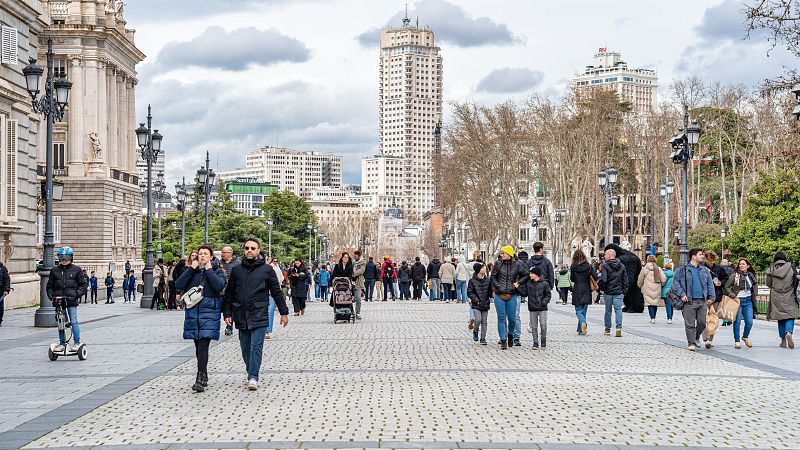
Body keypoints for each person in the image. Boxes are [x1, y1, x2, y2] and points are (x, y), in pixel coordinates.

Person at [223, 238, 289, 390]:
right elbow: (229, 293)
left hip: (259, 312)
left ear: (258, 250)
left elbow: (276, 292)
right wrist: (227, 313)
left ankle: (253, 376)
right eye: (247, 248)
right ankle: (250, 371)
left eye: (253, 248)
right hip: (241, 313)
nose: (249, 250)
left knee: (256, 346)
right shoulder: (237, 270)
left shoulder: (267, 270)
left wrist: (284, 312)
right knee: (245, 348)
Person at [175, 244, 225, 393]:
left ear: (211, 257)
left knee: (203, 343)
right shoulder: (191, 271)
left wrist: (209, 270)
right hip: (193, 311)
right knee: (198, 344)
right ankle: (204, 373)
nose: (202, 256)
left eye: (205, 254)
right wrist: (191, 268)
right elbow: (178, 284)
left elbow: (218, 287)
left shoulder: (217, 271)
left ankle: (199, 378)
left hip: (209, 311)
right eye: (200, 254)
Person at [671, 248, 715, 351]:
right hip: (689, 301)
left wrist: (711, 297)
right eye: (700, 254)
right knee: (689, 324)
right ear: (693, 257)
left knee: (702, 323)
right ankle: (691, 343)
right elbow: (675, 283)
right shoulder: (682, 270)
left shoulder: (705, 270)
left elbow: (710, 284)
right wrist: (682, 294)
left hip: (702, 301)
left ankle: (696, 337)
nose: (702, 256)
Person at [46, 247, 88, 352]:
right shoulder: (54, 270)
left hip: (71, 300)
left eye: (66, 258)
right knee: (61, 323)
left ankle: (77, 343)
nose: (64, 260)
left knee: (73, 322)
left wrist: (76, 295)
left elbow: (83, 286)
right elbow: (49, 286)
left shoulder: (77, 270)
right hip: (59, 301)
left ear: (71, 258)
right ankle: (62, 344)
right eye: (61, 258)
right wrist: (51, 295)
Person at [490, 246, 527, 350]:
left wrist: (518, 283)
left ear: (509, 254)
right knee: (501, 318)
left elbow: (526, 275)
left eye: (504, 253)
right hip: (499, 294)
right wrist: (497, 286)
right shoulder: (498, 263)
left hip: (512, 294)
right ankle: (503, 340)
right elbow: (493, 276)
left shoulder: (517, 264)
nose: (502, 255)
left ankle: (510, 334)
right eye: (501, 253)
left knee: (512, 318)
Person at [723, 257, 758, 349]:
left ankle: (745, 337)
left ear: (748, 266)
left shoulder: (751, 275)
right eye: (740, 264)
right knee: (737, 322)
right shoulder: (735, 275)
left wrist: (755, 294)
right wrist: (732, 295)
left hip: (748, 301)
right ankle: (737, 341)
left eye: (743, 264)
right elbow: (726, 286)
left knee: (749, 322)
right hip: (737, 301)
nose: (741, 265)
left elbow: (755, 285)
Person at [766, 251, 798, 349]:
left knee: (780, 318)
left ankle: (783, 340)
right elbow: (795, 281)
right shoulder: (791, 268)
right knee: (790, 316)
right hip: (790, 295)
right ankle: (789, 332)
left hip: (776, 296)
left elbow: (768, 284)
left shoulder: (771, 270)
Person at [524, 242, 554, 344]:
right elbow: (551, 274)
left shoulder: (529, 262)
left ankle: (532, 325)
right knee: (543, 320)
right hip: (544, 288)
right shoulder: (547, 261)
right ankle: (538, 336)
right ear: (541, 249)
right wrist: (550, 286)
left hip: (532, 288)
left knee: (534, 311)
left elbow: (525, 275)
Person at [599, 248, 627, 337]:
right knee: (618, 310)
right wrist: (624, 291)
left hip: (608, 292)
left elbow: (604, 279)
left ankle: (607, 329)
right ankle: (618, 327)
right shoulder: (622, 266)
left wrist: (602, 289)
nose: (604, 256)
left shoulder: (605, 266)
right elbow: (625, 280)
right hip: (619, 292)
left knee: (608, 310)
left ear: (609, 255)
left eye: (605, 254)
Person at [702, 250, 728, 346]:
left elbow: (726, 278)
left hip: (716, 295)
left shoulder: (719, 269)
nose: (711, 262)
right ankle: (705, 337)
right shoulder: (701, 268)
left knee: (713, 318)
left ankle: (710, 339)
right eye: (709, 260)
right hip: (704, 296)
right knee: (703, 318)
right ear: (705, 259)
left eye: (713, 261)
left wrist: (721, 282)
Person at [569, 249, 596, 336]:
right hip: (587, 289)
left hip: (577, 289)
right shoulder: (589, 266)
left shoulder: (573, 266)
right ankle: (580, 329)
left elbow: (572, 279)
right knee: (583, 311)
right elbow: (595, 277)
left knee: (578, 311)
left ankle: (583, 323)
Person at [527, 266, 552, 350]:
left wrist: (543, 303)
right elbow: (524, 292)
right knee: (534, 326)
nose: (530, 275)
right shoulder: (528, 283)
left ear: (536, 274)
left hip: (542, 308)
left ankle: (543, 341)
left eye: (532, 273)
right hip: (532, 307)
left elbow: (548, 294)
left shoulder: (544, 283)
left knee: (543, 324)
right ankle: (535, 343)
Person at [467, 262, 491, 345]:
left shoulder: (488, 280)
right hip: (476, 304)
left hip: (485, 303)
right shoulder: (472, 281)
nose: (484, 269)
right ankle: (475, 330)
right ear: (478, 270)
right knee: (478, 319)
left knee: (484, 321)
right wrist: (476, 300)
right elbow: (469, 292)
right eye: (482, 267)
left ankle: (483, 338)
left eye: (484, 267)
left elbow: (490, 292)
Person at [638, 255, 666, 324]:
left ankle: (652, 318)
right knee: (655, 303)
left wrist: (640, 286)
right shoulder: (658, 269)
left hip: (647, 287)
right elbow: (663, 279)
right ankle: (654, 317)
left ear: (648, 260)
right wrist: (661, 285)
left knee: (649, 303)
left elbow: (640, 279)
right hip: (657, 287)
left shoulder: (644, 269)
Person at [265, 256, 284, 339]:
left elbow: (279, 279)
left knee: (270, 311)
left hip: (270, 292)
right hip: (259, 294)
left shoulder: (272, 269)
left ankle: (266, 331)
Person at [352, 251, 366, 319]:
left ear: (359, 256)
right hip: (351, 282)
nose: (354, 257)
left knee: (358, 299)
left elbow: (362, 270)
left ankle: (357, 313)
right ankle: (351, 312)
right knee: (349, 299)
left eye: (355, 256)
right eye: (354, 256)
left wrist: (353, 274)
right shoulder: (352, 262)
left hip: (358, 282)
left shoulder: (363, 262)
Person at [0, 259, 9, 326]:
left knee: (0, 308)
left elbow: (7, 279)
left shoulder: (3, 268)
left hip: (0, 292)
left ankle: (0, 319)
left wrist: (6, 290)